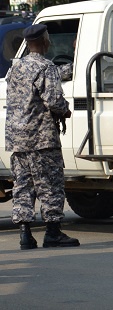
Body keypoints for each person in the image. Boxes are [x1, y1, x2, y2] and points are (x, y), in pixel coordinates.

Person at [6, 24, 80, 249]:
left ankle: (25, 234)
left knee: (23, 185)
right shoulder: (45, 67)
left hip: (18, 139)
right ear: (45, 41)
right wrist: (66, 110)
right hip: (41, 138)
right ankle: (53, 232)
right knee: (50, 184)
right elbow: (55, 101)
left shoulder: (15, 68)